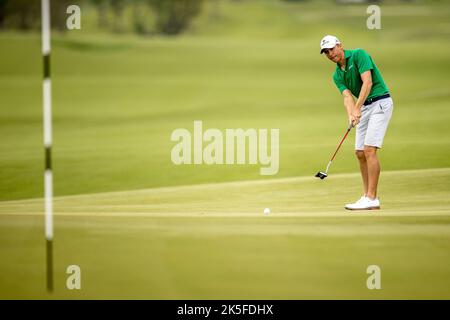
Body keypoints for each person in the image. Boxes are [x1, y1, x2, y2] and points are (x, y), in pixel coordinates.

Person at [320, 35, 393, 210]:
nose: (330, 54)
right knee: (359, 152)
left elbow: (367, 83)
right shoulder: (337, 75)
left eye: (331, 49)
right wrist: (351, 113)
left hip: (380, 103)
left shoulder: (359, 55)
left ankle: (372, 197)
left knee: (369, 150)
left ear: (340, 45)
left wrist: (357, 108)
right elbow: (347, 97)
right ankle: (366, 196)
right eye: (326, 52)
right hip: (365, 107)